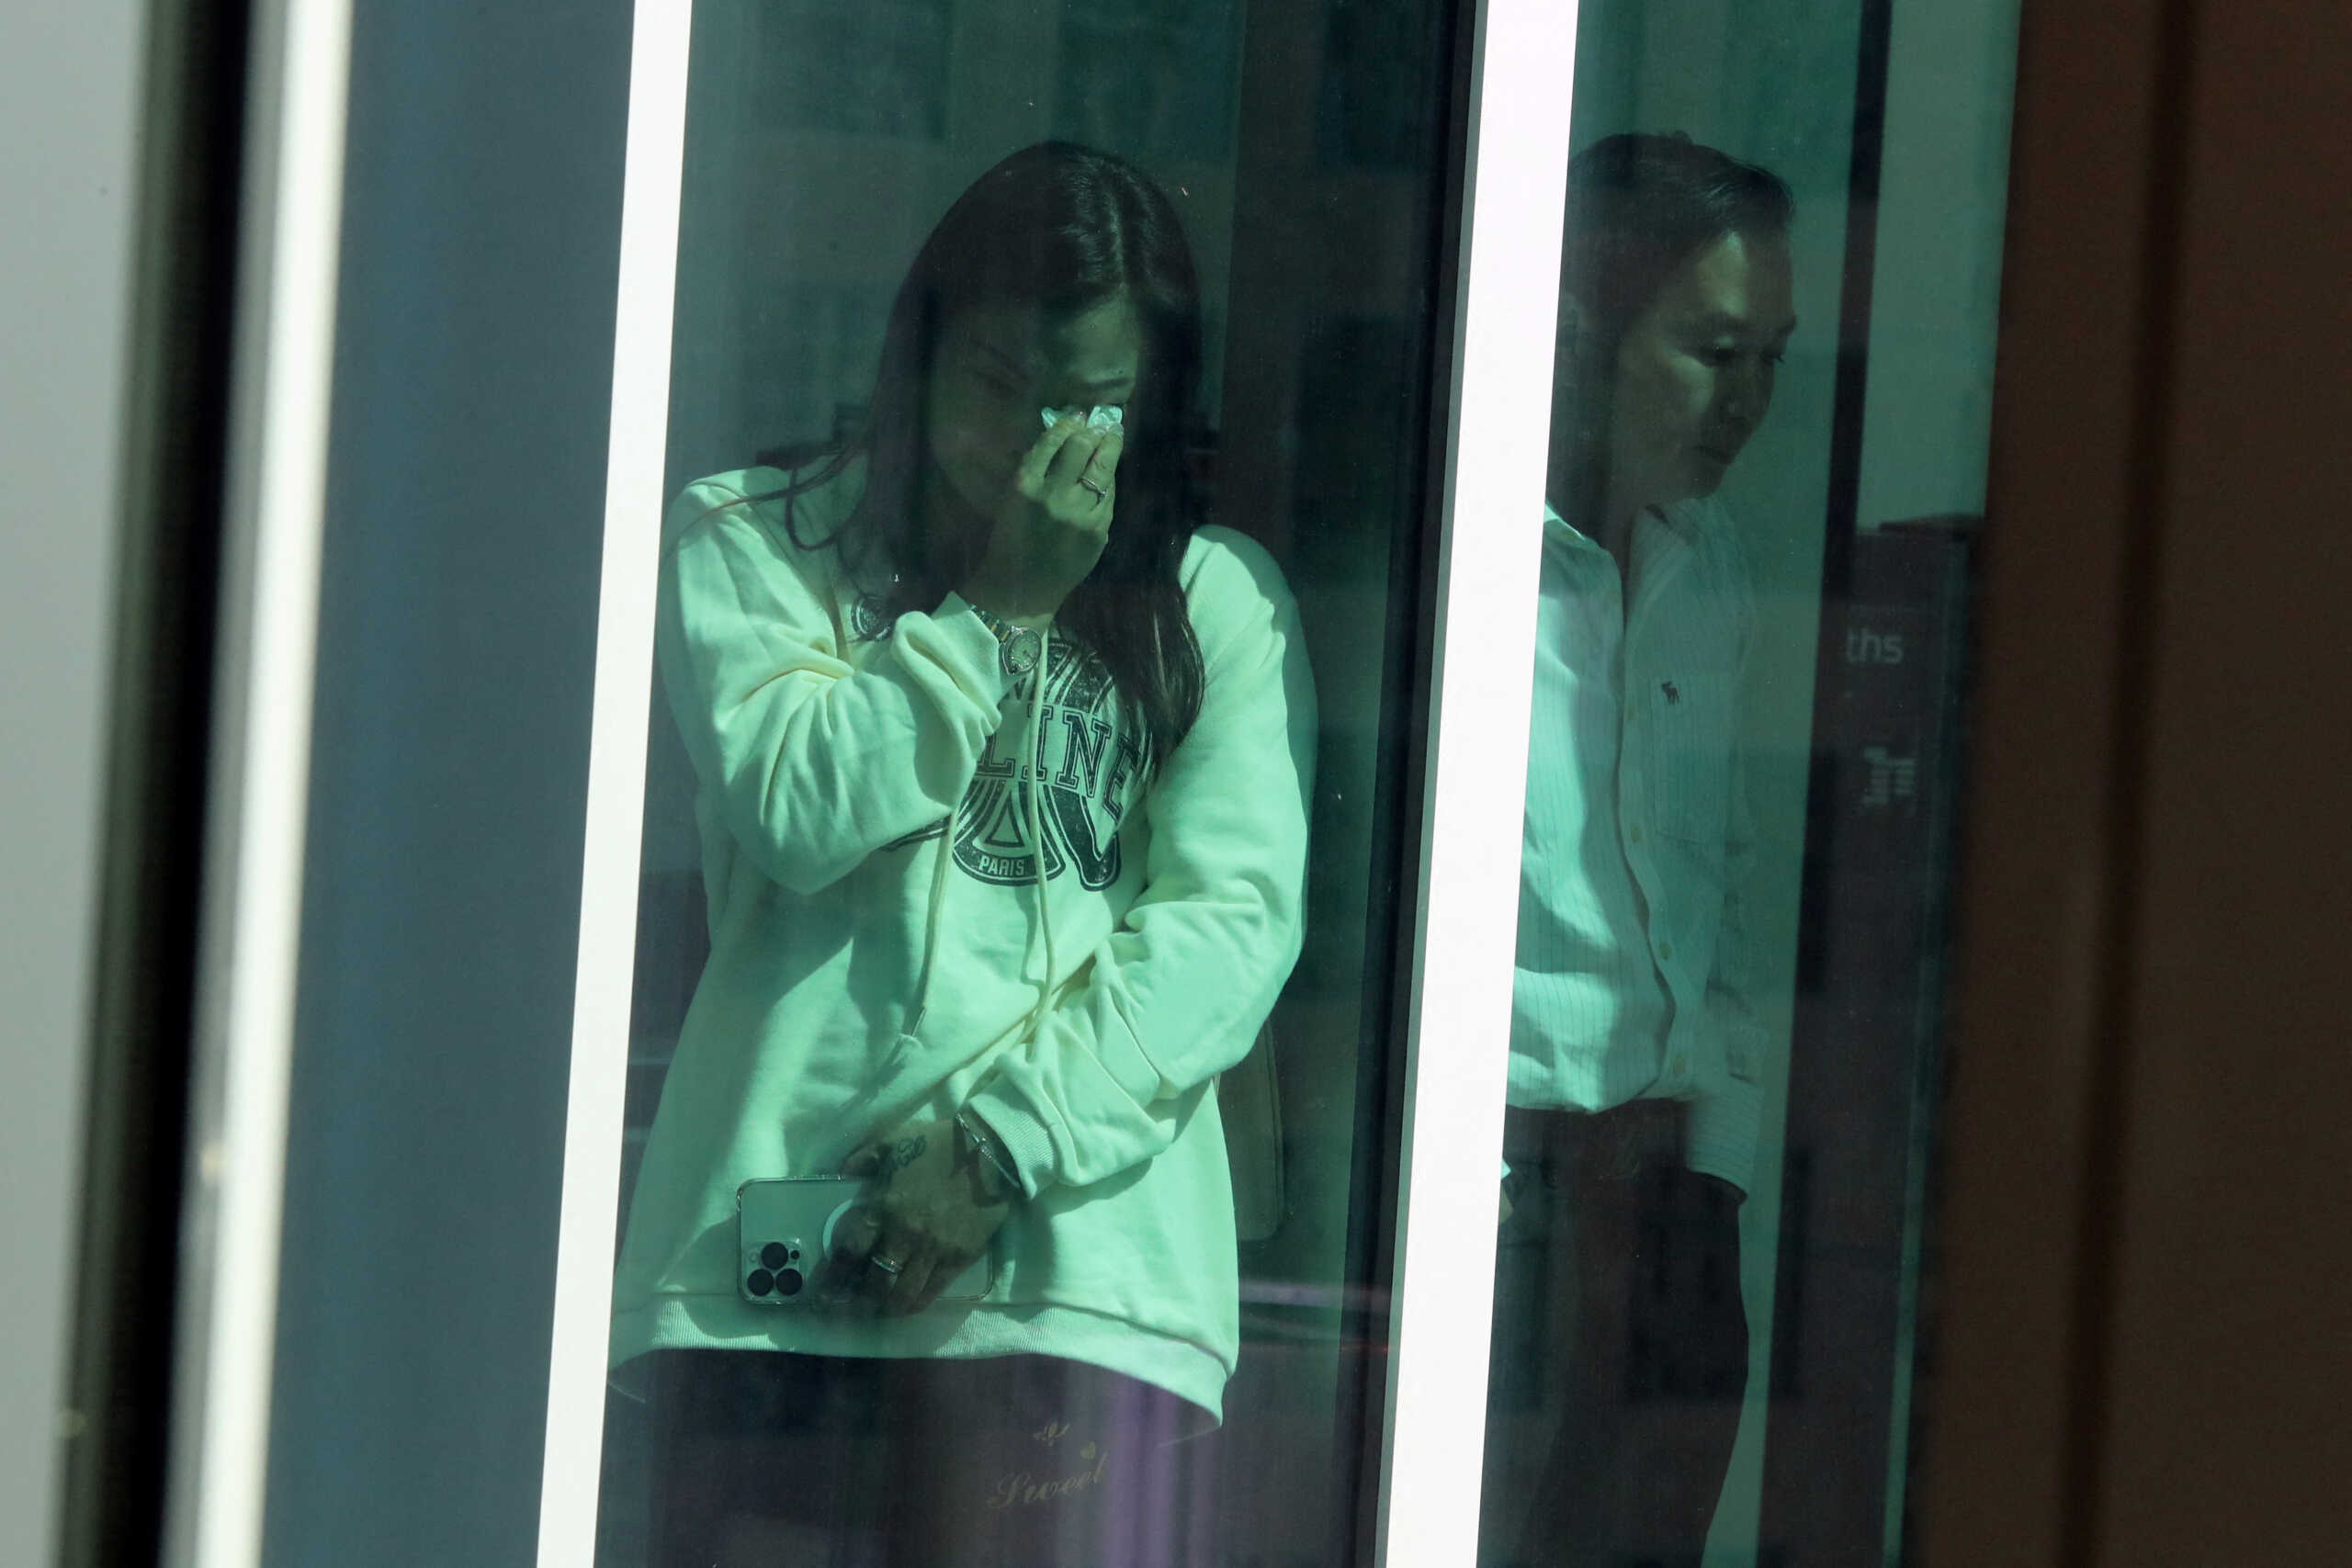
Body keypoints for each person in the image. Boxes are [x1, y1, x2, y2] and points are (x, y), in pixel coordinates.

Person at [609, 141, 1317, 1567]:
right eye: (999, 384)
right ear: (921, 357)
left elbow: (1227, 930)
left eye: (1094, 401)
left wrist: (997, 1151)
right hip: (770, 1263)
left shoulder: (1212, 598)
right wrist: (999, 602)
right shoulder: (756, 538)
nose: (1039, 437)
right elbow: (798, 812)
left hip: (1074, 1275)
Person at [1478, 133, 1798, 1568]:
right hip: (1506, 1191)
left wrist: (1719, 1168)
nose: (1750, 403)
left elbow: (1732, 881)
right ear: (1585, 329)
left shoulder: (1712, 564)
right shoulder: (1470, 562)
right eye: (1713, 350)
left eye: (1770, 359)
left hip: (1671, 1201)